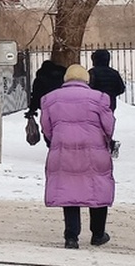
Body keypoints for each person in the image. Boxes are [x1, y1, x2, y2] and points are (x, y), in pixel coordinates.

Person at [40, 64, 115, 249]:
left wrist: (57, 140)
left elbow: (47, 129)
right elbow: (109, 127)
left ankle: (71, 237)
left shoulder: (50, 99)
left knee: (69, 191)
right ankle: (98, 234)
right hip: (94, 151)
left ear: (66, 79)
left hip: (63, 152)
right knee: (96, 189)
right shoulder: (99, 99)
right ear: (86, 80)